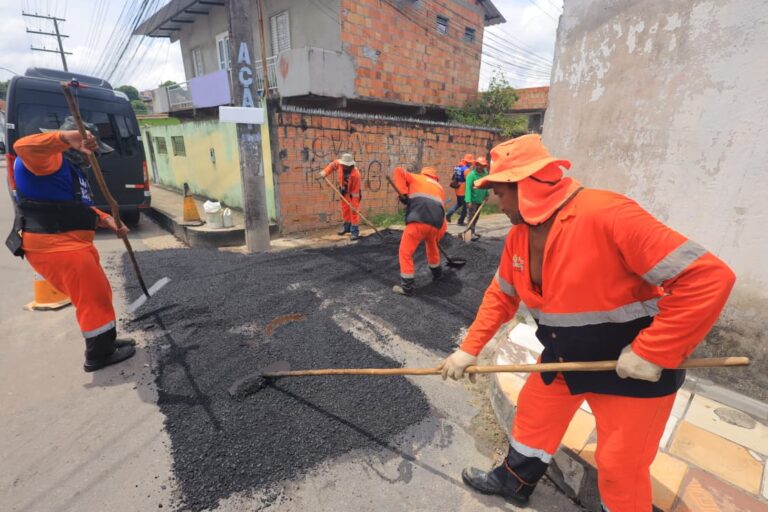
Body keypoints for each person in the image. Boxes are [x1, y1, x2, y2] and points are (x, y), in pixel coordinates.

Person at [439, 134, 735, 510]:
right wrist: (468, 350)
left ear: (525, 186)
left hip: (632, 367)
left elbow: (709, 277)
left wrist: (652, 350)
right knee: (534, 413)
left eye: (499, 191)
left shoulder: (607, 214)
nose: (496, 201)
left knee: (619, 466)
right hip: (566, 354)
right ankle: (513, 481)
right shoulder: (519, 237)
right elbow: (501, 296)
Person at [10, 118, 137, 372]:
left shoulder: (71, 172)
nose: (93, 157)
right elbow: (22, 146)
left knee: (98, 294)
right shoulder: (47, 161)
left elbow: (75, 207)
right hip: (56, 244)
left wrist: (108, 220)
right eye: (90, 150)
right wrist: (65, 138)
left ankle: (106, 341)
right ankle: (99, 354)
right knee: (92, 299)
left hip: (71, 242)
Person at [390, 166, 447, 296]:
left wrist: (403, 193)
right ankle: (437, 273)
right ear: (435, 178)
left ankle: (407, 287)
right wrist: (438, 235)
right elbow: (443, 214)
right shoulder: (440, 188)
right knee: (432, 246)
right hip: (435, 224)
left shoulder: (416, 178)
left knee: (405, 252)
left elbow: (398, 170)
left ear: (423, 174)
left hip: (418, 220)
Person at [319, 153, 363, 241]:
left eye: (346, 166)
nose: (343, 166)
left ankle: (354, 231)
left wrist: (354, 204)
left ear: (350, 165)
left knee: (353, 211)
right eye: (343, 165)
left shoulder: (356, 175)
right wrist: (325, 172)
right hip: (344, 191)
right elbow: (332, 165)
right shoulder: (340, 164)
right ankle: (346, 227)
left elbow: (355, 192)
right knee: (345, 209)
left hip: (353, 193)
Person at [463, 156, 489, 241]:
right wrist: (468, 201)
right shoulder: (471, 175)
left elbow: (486, 185)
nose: (480, 167)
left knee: (476, 217)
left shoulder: (485, 173)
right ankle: (468, 235)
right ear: (476, 165)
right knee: (471, 217)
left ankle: (472, 232)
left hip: (480, 200)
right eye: (478, 165)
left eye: (482, 165)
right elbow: (468, 189)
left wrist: (487, 194)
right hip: (472, 200)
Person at [445, 153, 473, 225]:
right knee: (465, 206)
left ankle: (449, 214)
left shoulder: (457, 167)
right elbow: (469, 181)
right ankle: (460, 221)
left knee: (459, 203)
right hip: (463, 190)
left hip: (457, 188)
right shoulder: (466, 170)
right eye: (470, 163)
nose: (471, 164)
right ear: (468, 162)